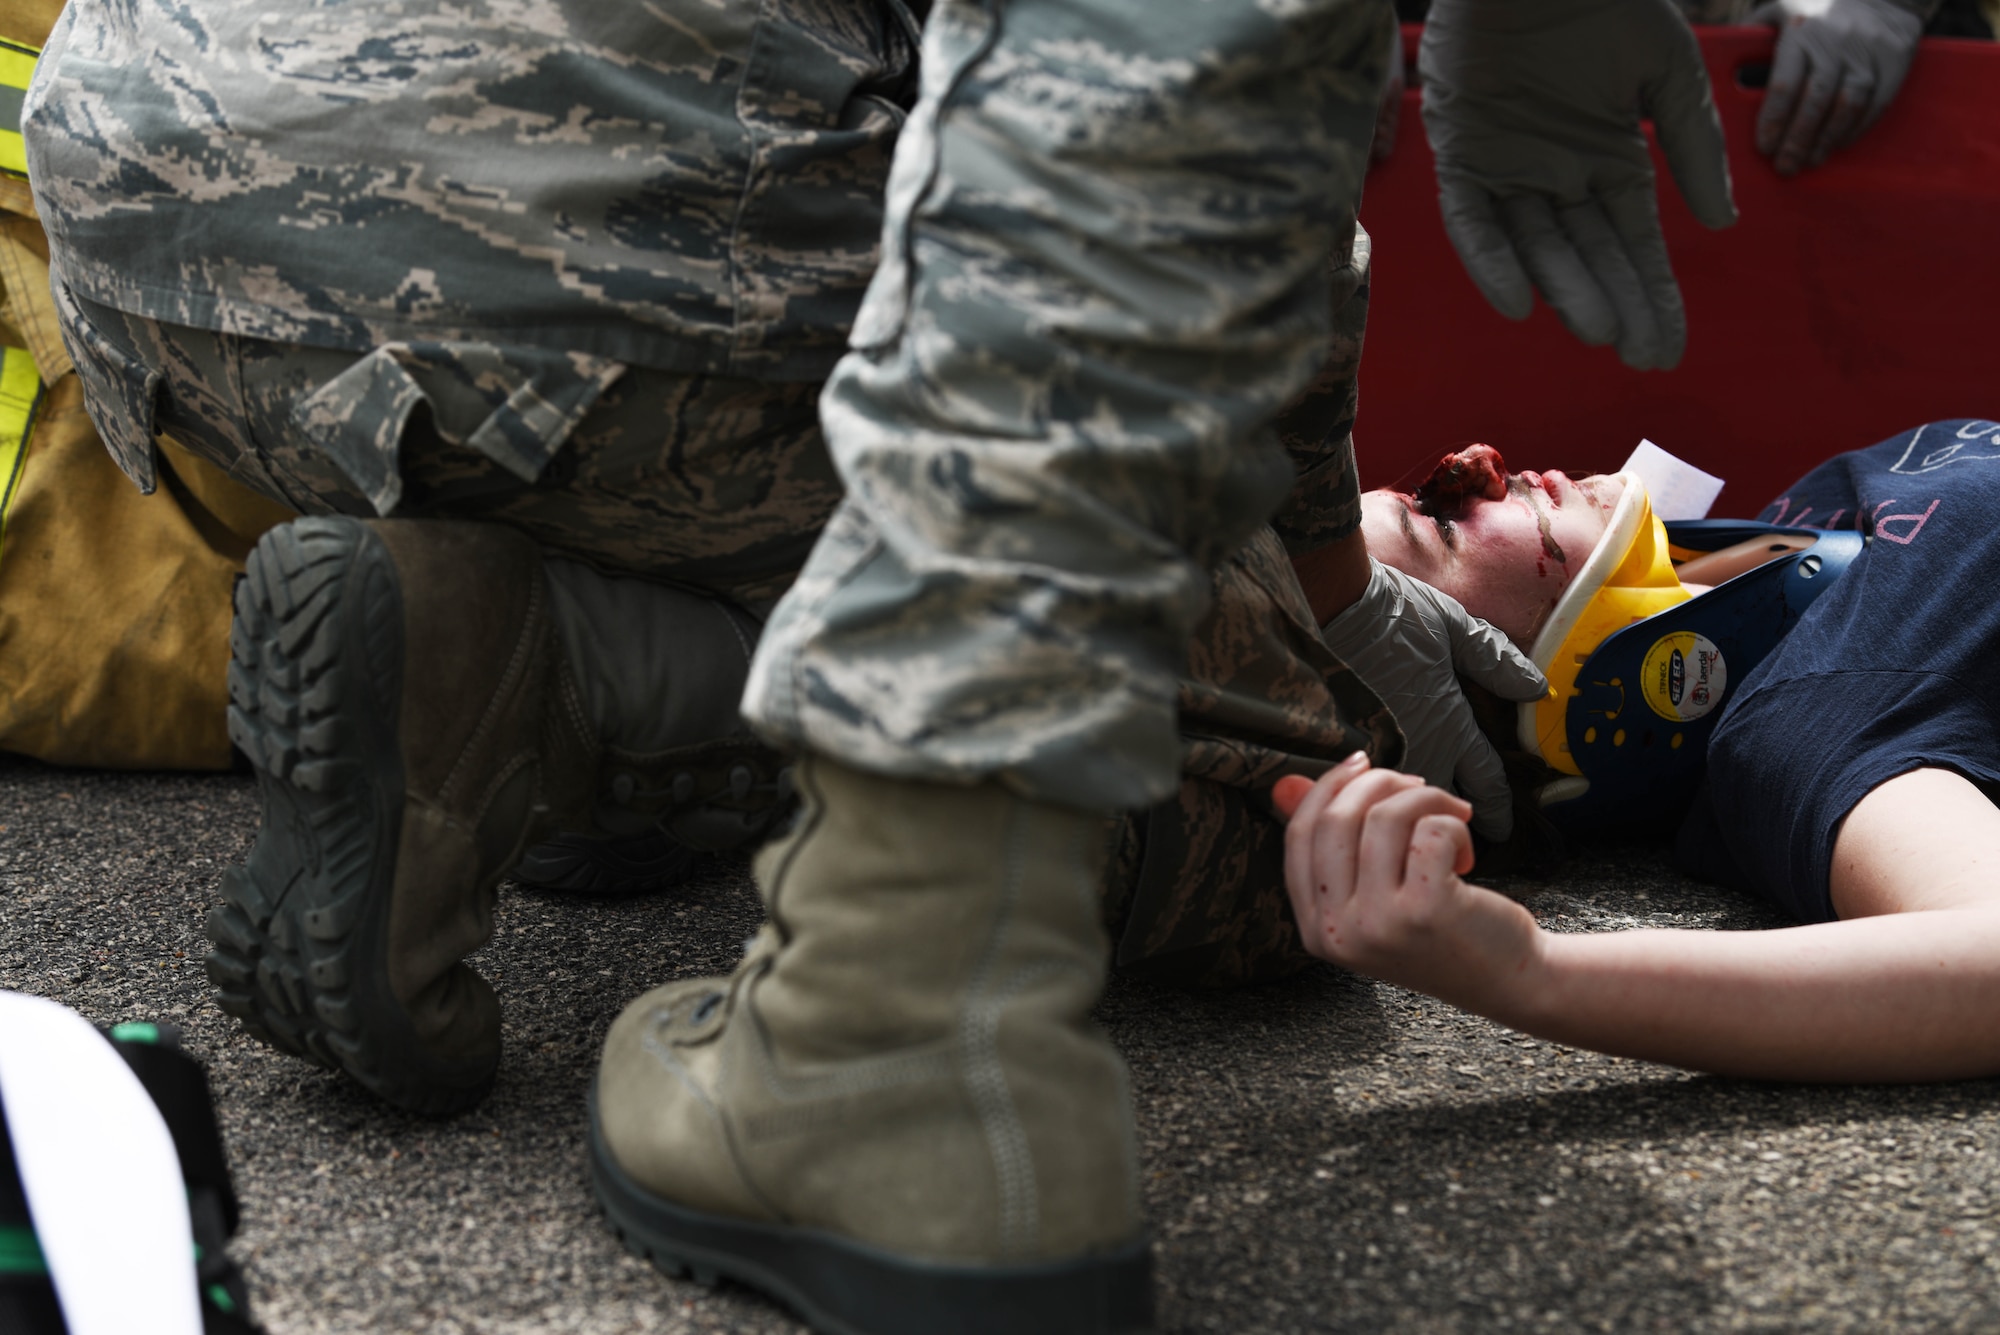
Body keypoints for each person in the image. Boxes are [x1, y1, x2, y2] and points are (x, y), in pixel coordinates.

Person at [25, 1, 1734, 1332]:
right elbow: (1145, 142)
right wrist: (1331, 619)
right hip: (564, 251)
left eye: (1569, 539)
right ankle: (855, 1018)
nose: (1512, 473)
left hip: (147, 250)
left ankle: (523, 666)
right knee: (1223, 742)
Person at [1279, 419, 2000, 1084]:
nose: (1475, 461)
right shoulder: (1817, 718)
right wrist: (1531, 972)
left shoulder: (1762, 556)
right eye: (1439, 519)